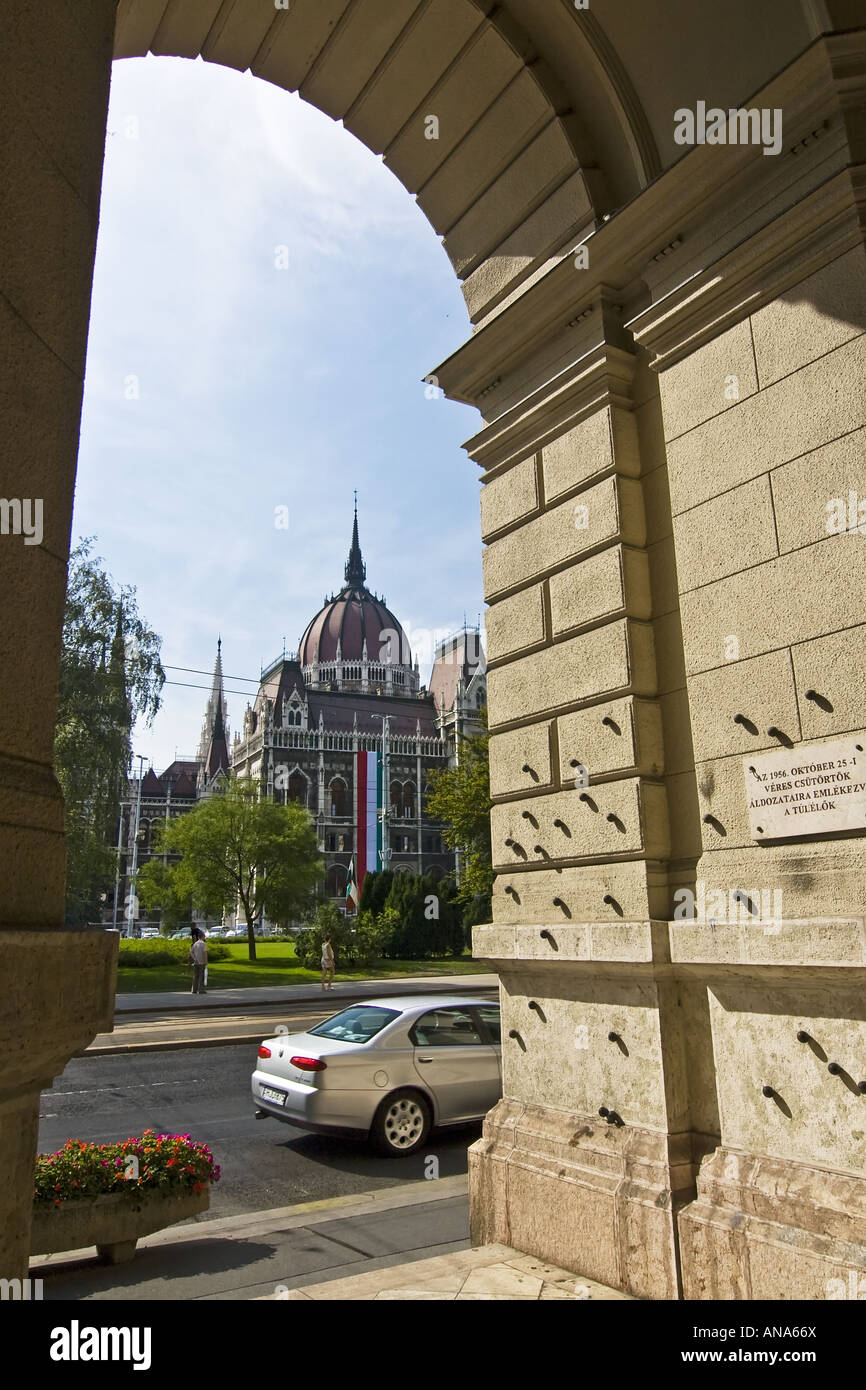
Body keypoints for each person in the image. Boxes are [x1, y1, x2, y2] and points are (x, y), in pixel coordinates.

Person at [189, 928, 208, 994]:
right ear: (202, 936)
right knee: (201, 976)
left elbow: (191, 952)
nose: (204, 937)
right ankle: (201, 989)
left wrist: (194, 958)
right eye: (204, 936)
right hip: (202, 962)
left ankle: (194, 989)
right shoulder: (203, 944)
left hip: (196, 962)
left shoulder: (195, 944)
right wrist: (206, 961)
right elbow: (204, 953)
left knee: (195, 976)